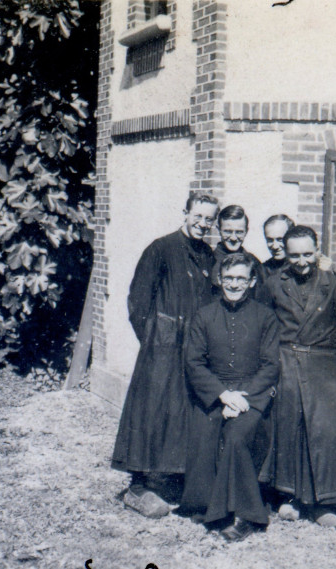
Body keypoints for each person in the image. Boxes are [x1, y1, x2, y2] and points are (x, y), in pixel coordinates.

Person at [111, 192, 219, 518]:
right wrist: (156, 339)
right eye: (197, 216)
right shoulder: (160, 248)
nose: (202, 224)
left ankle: (175, 477)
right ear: (185, 212)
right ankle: (138, 484)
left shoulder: (209, 256)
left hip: (194, 347)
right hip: (162, 346)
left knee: (184, 410)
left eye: (208, 219)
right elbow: (138, 301)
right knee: (152, 410)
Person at [181, 252, 280, 542]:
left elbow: (270, 365)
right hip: (216, 392)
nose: (234, 284)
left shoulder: (265, 317)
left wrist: (242, 399)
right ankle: (212, 507)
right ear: (219, 280)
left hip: (252, 396)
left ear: (251, 282)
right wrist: (223, 396)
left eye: (241, 278)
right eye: (229, 278)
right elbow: (194, 362)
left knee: (237, 437)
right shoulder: (204, 315)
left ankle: (248, 516)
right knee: (206, 432)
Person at [264, 225, 336, 528]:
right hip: (286, 363)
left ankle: (325, 501)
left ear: (318, 250)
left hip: (322, 363)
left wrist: (322, 351)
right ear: (286, 254)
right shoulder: (273, 284)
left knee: (324, 431)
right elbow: (265, 325)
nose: (302, 261)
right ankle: (290, 497)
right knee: (291, 428)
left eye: (307, 253)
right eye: (294, 255)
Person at [213, 205, 266, 299]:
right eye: (228, 231)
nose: (233, 238)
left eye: (239, 232)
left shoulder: (254, 262)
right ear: (219, 230)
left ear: (246, 231)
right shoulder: (208, 260)